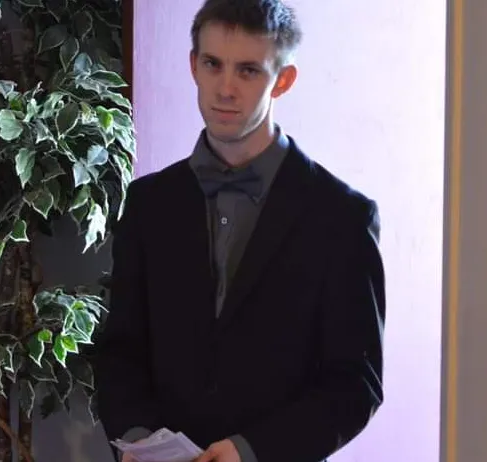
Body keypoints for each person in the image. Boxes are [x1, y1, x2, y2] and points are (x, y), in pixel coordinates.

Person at [93, 0, 387, 461]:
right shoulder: (149, 203)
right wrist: (136, 438)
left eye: (248, 71)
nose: (225, 89)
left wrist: (251, 451)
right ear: (194, 65)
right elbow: (121, 352)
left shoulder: (343, 217)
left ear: (283, 80)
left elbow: (355, 383)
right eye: (213, 64)